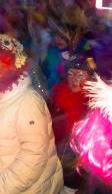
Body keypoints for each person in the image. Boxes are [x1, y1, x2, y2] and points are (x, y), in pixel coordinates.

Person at [0, 34, 63, 194]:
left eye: (1, 60)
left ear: (15, 64)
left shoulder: (28, 101)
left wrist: (2, 186)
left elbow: (34, 154)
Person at [51, 55, 96, 190]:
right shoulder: (57, 96)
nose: (74, 79)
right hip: (53, 162)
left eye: (80, 75)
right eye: (71, 74)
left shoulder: (93, 105)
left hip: (77, 170)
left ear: (90, 78)